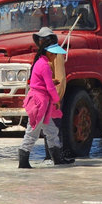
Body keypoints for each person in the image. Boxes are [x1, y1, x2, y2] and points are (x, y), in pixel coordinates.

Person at [18, 29, 74, 168]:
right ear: (49, 52)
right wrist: (57, 100)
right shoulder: (45, 65)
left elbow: (41, 82)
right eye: (54, 53)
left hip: (42, 102)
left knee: (51, 131)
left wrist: (52, 83)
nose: (56, 55)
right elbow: (49, 87)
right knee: (33, 131)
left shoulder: (40, 62)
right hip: (40, 103)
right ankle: (23, 160)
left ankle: (57, 158)